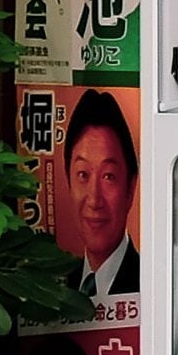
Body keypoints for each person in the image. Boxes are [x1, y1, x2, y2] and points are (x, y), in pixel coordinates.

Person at [52, 89, 139, 315]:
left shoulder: (149, 282)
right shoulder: (56, 286)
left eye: (108, 176)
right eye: (83, 175)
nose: (94, 199)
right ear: (68, 181)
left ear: (131, 187)